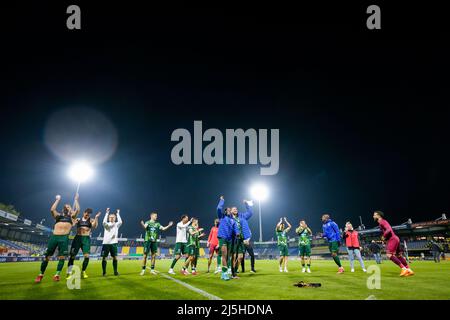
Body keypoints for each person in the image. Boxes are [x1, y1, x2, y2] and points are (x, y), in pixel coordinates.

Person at [35, 194, 80, 283]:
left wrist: (76, 200)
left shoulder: (72, 217)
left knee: (62, 257)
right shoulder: (58, 216)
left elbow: (78, 209)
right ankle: (40, 274)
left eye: (69, 207)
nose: (67, 208)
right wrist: (57, 200)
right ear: (63, 209)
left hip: (64, 238)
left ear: (71, 209)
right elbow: (52, 210)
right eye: (66, 207)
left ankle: (57, 275)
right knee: (47, 257)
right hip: (54, 237)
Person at [373, 211, 414, 277]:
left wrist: (384, 236)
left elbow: (389, 229)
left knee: (389, 255)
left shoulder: (382, 221)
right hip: (395, 238)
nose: (373, 216)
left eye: (374, 215)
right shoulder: (382, 222)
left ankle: (404, 269)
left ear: (378, 216)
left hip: (392, 239)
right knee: (399, 256)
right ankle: (409, 270)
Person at [67, 208, 101, 279]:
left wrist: (96, 218)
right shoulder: (79, 219)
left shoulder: (91, 220)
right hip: (77, 238)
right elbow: (72, 224)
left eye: (88, 214)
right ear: (84, 213)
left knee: (87, 256)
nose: (87, 215)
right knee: (72, 256)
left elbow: (95, 226)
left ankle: (83, 271)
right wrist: (72, 219)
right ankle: (69, 272)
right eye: (86, 213)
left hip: (86, 239)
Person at [216, 196, 240, 281]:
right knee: (224, 255)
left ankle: (223, 273)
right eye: (228, 210)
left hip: (230, 239)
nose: (229, 211)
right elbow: (218, 208)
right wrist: (222, 200)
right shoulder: (222, 217)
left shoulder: (232, 220)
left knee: (227, 257)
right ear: (225, 211)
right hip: (222, 237)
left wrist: (237, 233)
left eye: (230, 210)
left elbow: (236, 228)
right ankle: (225, 274)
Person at [230, 199, 253, 279]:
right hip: (234, 239)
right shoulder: (229, 218)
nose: (235, 210)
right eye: (233, 209)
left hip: (242, 239)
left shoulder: (242, 216)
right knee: (234, 256)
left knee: (240, 257)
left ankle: (234, 271)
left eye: (236, 209)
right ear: (231, 211)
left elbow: (250, 213)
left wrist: (246, 204)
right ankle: (232, 272)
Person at [101, 208, 122, 276]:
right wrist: (106, 213)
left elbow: (121, 222)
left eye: (113, 217)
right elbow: (103, 222)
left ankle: (115, 271)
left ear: (115, 218)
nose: (112, 218)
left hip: (114, 243)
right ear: (108, 218)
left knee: (115, 257)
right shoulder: (106, 224)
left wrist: (118, 214)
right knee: (104, 258)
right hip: (106, 243)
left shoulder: (116, 225)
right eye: (110, 217)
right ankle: (104, 272)